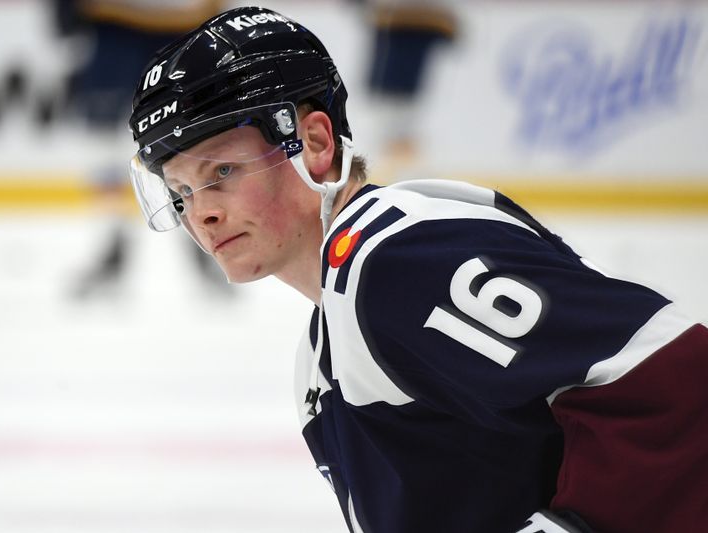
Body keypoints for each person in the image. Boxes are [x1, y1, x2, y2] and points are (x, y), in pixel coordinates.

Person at [125, 7, 708, 532]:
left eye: (222, 171)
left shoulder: (391, 262)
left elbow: (675, 378)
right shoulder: (322, 351)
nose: (202, 211)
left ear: (315, 141)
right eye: (180, 192)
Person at [50, 0, 227, 299]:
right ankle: (113, 246)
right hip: (115, 24)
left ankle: (204, 242)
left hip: (180, 22)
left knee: (190, 137)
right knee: (102, 139)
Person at [362, 0, 459, 183]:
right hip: (390, 84)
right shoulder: (393, 14)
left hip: (403, 84)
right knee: (393, 130)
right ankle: (405, 176)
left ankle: (408, 177)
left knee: (400, 130)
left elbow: (452, 33)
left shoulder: (426, 15)